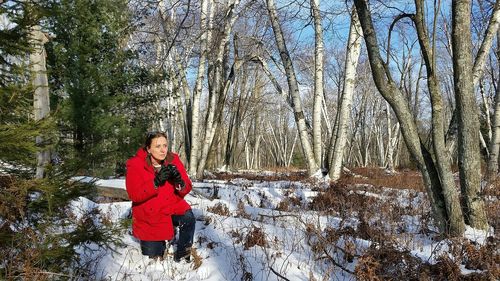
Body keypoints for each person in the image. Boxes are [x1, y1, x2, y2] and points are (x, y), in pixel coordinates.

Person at [125, 131, 195, 262]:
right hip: (150, 214)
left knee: (188, 217)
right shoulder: (135, 164)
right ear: (148, 149)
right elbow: (134, 195)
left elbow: (187, 187)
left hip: (171, 205)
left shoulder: (173, 159)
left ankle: (183, 255)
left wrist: (179, 182)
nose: (163, 150)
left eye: (165, 145)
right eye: (158, 146)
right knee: (154, 258)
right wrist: (155, 182)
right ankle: (162, 241)